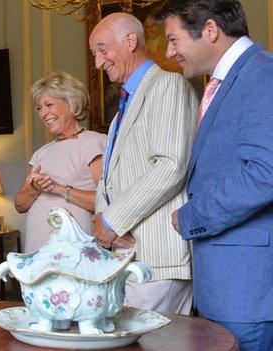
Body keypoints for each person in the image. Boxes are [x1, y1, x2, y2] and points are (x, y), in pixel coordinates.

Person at [155, 1, 273, 349]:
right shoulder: (230, 79)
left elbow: (265, 172)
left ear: (210, 30)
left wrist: (193, 214)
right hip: (226, 287)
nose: (169, 51)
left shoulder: (260, 75)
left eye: (174, 40)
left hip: (244, 292)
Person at [88, 12, 198, 315]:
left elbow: (170, 166)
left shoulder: (168, 86)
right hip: (126, 255)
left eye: (102, 49)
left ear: (130, 40)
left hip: (157, 258)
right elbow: (108, 181)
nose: (98, 62)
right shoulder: (122, 108)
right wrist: (103, 224)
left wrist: (111, 221)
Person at [14, 71, 106, 253]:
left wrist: (58, 188)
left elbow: (107, 200)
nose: (43, 113)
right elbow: (20, 204)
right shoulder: (42, 152)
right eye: (39, 108)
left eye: (49, 105)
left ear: (72, 104)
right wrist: (33, 189)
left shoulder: (93, 142)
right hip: (37, 249)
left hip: (74, 250)